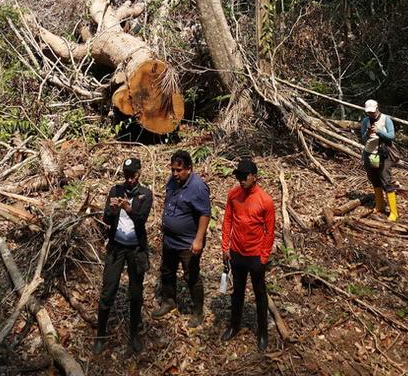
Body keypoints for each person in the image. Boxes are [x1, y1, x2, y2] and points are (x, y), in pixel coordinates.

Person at [95, 157, 154, 355]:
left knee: (136, 294)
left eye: (133, 175)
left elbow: (142, 219)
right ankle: (100, 335)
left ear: (139, 174)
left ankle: (134, 335)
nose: (130, 179)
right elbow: (106, 219)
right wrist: (112, 210)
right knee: (108, 290)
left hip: (136, 249)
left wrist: (129, 208)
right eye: (127, 175)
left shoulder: (145, 194)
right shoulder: (115, 190)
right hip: (116, 247)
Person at [220, 157, 276, 352]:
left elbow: (270, 231)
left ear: (254, 176)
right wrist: (225, 247)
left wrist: (263, 257)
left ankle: (262, 332)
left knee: (260, 294)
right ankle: (234, 325)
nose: (241, 180)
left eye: (245, 176)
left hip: (255, 255)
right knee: (237, 292)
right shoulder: (233, 195)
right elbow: (227, 220)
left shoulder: (265, 200)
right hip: (236, 252)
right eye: (239, 176)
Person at [152, 150, 211, 326]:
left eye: (179, 170)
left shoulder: (198, 187)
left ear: (189, 169)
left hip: (188, 242)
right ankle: (169, 301)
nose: (175, 174)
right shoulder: (173, 181)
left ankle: (198, 312)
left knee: (191, 275)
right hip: (170, 239)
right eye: (172, 170)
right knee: (167, 271)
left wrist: (198, 239)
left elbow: (205, 214)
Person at [359, 99, 399, 220]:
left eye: (372, 111)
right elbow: (363, 138)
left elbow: (392, 136)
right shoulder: (365, 121)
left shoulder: (386, 119)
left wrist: (379, 132)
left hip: (383, 154)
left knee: (385, 179)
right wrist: (368, 133)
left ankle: (394, 213)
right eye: (368, 112)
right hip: (371, 153)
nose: (370, 114)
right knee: (374, 178)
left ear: (377, 108)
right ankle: (380, 205)